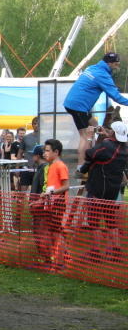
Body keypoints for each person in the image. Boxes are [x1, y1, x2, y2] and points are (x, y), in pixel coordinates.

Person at [63, 52, 128, 165]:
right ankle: (81, 167)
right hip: (79, 107)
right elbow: (116, 96)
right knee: (85, 136)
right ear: (110, 64)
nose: (117, 67)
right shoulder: (103, 75)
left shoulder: (92, 67)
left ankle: (97, 151)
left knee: (95, 124)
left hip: (72, 103)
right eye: (116, 64)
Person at [80, 121, 128, 261]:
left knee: (93, 221)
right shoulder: (124, 148)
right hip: (112, 190)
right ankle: (116, 250)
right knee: (110, 220)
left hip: (97, 188)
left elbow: (88, 154)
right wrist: (106, 135)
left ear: (112, 132)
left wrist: (89, 137)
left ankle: (95, 252)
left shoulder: (106, 146)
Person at [39, 139, 70, 270]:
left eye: (47, 151)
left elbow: (66, 186)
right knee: (53, 231)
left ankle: (61, 260)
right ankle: (57, 258)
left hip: (58, 203)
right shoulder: (51, 166)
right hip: (51, 202)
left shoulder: (60, 166)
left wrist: (50, 193)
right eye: (44, 151)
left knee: (57, 232)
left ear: (56, 152)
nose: (44, 153)